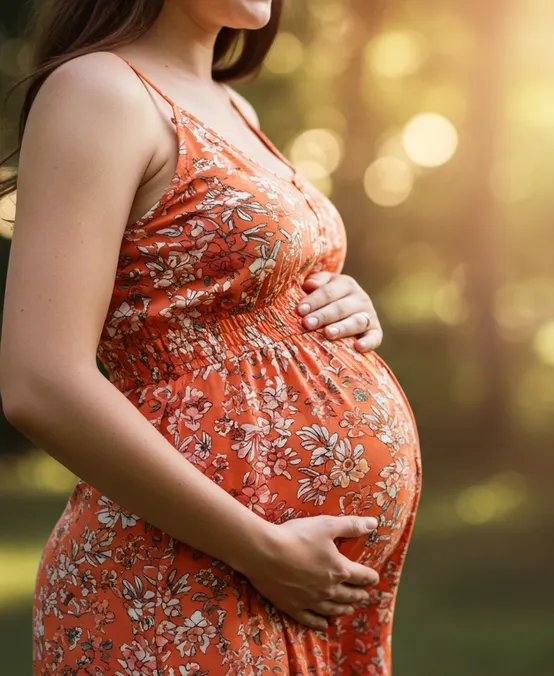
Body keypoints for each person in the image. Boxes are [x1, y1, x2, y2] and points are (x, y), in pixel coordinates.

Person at [0, 0, 422, 672]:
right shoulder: (99, 91)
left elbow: (232, 293)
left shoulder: (232, 107)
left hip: (291, 593)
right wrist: (258, 548)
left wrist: (338, 301)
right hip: (177, 586)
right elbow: (41, 382)